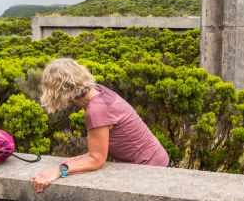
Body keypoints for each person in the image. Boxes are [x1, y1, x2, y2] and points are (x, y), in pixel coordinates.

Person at [30, 58, 169, 193]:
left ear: (60, 90)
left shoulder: (96, 109)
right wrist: (66, 163)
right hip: (155, 158)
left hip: (149, 169)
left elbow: (96, 159)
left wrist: (59, 171)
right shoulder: (99, 91)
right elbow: (95, 153)